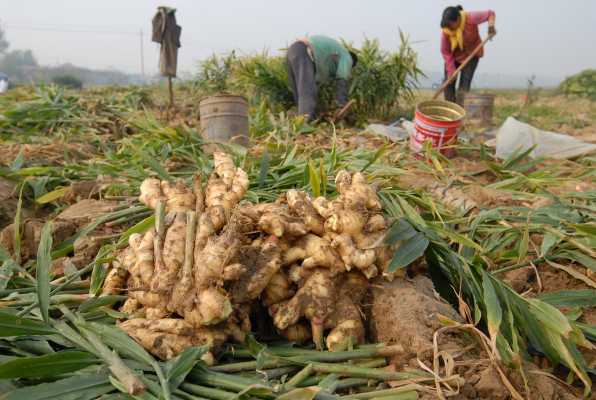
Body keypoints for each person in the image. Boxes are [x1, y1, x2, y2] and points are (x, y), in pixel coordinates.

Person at [286, 35, 357, 121]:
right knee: (307, 91)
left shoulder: (332, 55)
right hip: (304, 51)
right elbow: (341, 80)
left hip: (293, 51)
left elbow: (317, 83)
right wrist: (341, 104)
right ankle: (304, 125)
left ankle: (299, 123)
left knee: (300, 94)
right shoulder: (347, 57)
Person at [440, 6, 496, 105]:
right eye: (447, 26)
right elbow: (446, 51)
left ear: (458, 19)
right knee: (448, 82)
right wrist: (451, 70)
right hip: (454, 57)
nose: (449, 28)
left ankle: (459, 112)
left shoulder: (470, 17)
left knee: (464, 86)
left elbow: (490, 14)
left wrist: (491, 27)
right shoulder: (446, 31)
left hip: (472, 55)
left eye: (450, 25)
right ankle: (450, 109)